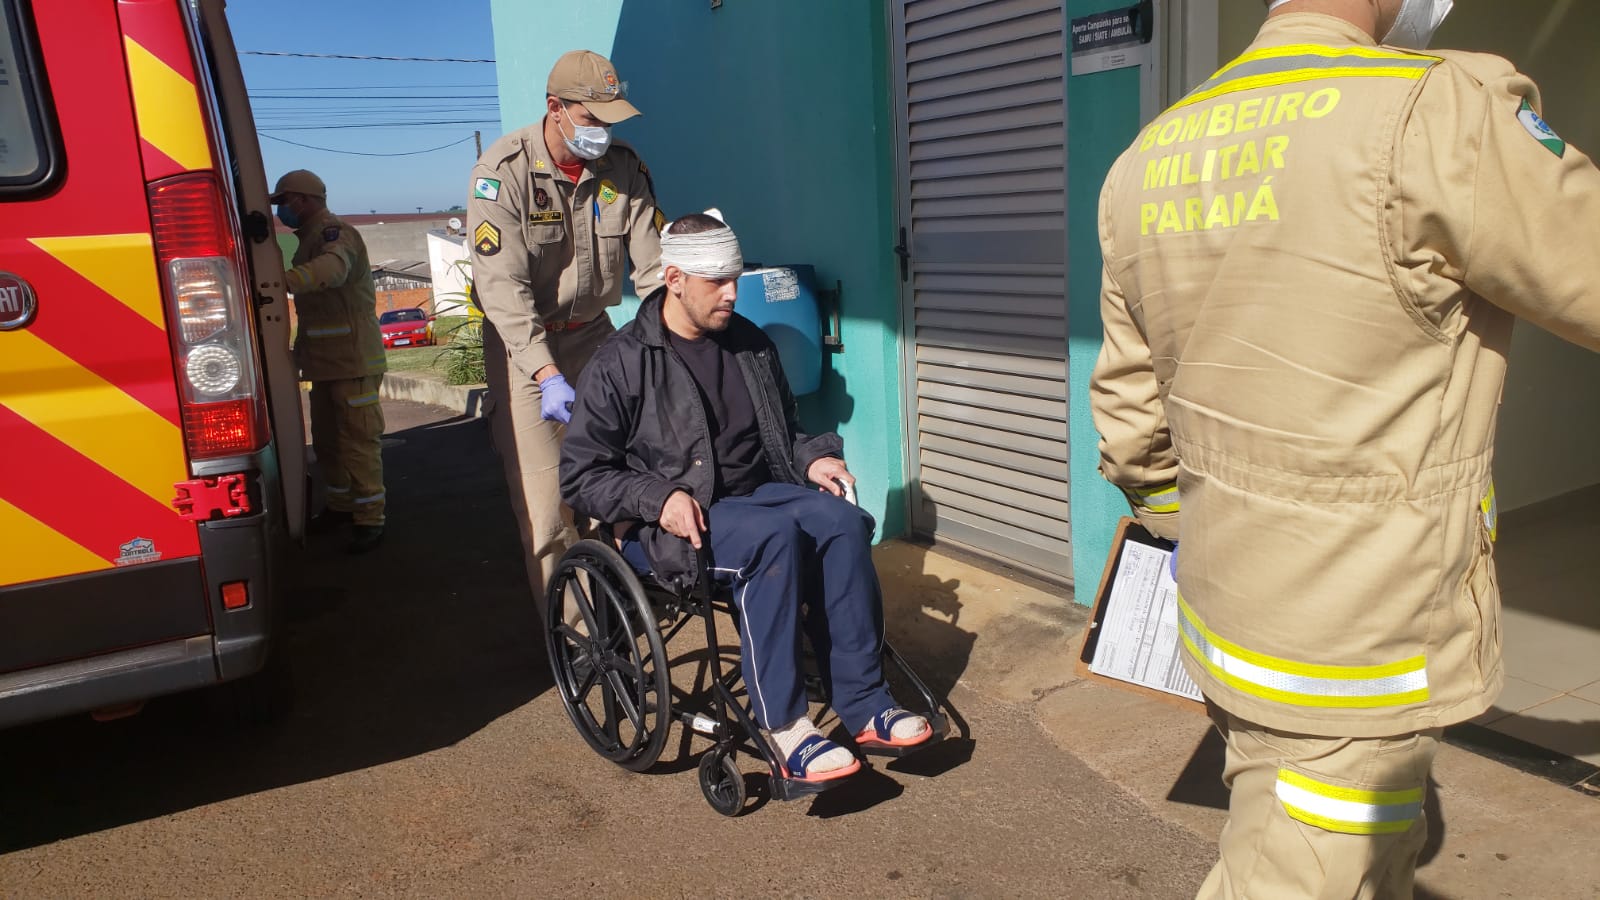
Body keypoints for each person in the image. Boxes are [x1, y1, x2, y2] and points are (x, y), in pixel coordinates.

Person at [1091, 0, 1600, 896]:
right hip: (1359, 645)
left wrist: (1199, 526)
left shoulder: (1147, 158)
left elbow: (1133, 427)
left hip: (1223, 622)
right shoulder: (1438, 109)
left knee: (1309, 855)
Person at [560, 214, 933, 783]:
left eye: (735, 277)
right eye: (717, 281)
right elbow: (581, 475)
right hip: (669, 523)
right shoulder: (621, 362)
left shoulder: (751, 344)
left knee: (842, 522)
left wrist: (813, 458)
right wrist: (656, 497)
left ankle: (865, 703)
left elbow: (785, 431)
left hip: (759, 495)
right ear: (675, 277)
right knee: (773, 539)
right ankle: (786, 728)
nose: (732, 292)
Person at [466, 49, 665, 616]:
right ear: (556, 109)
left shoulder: (623, 169)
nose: (602, 131)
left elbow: (652, 272)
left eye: (610, 120)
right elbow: (502, 289)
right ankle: (575, 640)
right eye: (593, 118)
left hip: (595, 334)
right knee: (548, 505)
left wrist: (670, 345)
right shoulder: (501, 175)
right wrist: (546, 373)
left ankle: (619, 603)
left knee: (615, 478)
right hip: (524, 347)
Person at [272, 169, 388, 554]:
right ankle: (340, 506)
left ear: (302, 200)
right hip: (325, 366)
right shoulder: (306, 239)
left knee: (358, 443)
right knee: (326, 443)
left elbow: (332, 270)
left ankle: (370, 519)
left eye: (283, 202)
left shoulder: (335, 234)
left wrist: (278, 282)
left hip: (353, 363)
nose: (281, 212)